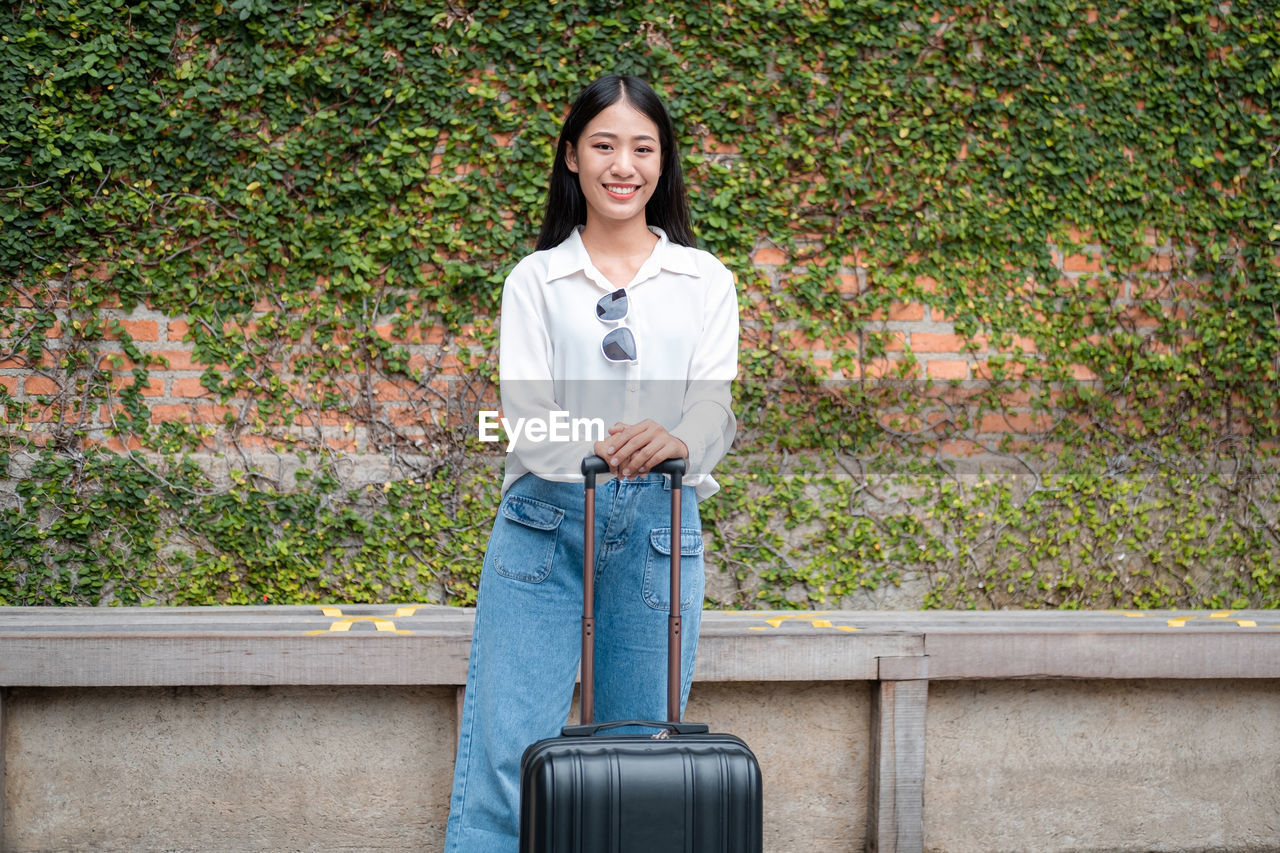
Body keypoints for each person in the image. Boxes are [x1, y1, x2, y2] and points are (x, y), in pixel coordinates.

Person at [443, 74, 739, 853]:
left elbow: (714, 409)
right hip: (543, 530)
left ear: (663, 162)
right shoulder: (534, 280)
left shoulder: (705, 280)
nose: (623, 164)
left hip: (658, 533)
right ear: (572, 156)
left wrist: (675, 441)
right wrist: (610, 439)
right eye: (604, 145)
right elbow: (514, 420)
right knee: (504, 763)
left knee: (640, 765)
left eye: (643, 147)